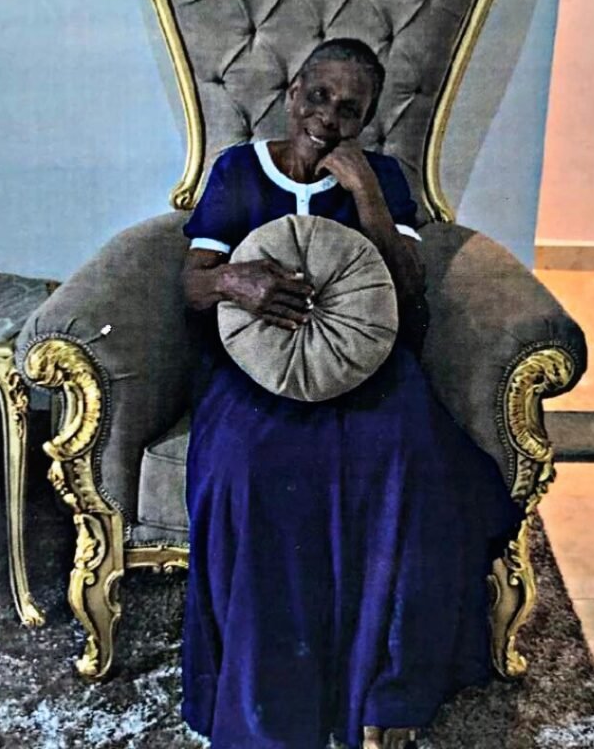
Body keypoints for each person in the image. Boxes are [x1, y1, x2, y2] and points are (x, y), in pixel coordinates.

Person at [179, 38, 524, 749]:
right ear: (292, 92)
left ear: (364, 120)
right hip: (257, 367)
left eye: (348, 109)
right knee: (241, 468)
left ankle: (381, 684)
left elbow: (409, 291)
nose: (327, 117)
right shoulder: (238, 170)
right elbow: (191, 283)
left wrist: (365, 192)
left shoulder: (383, 177)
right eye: (317, 97)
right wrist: (231, 281)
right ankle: (269, 691)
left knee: (406, 458)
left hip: (370, 366)